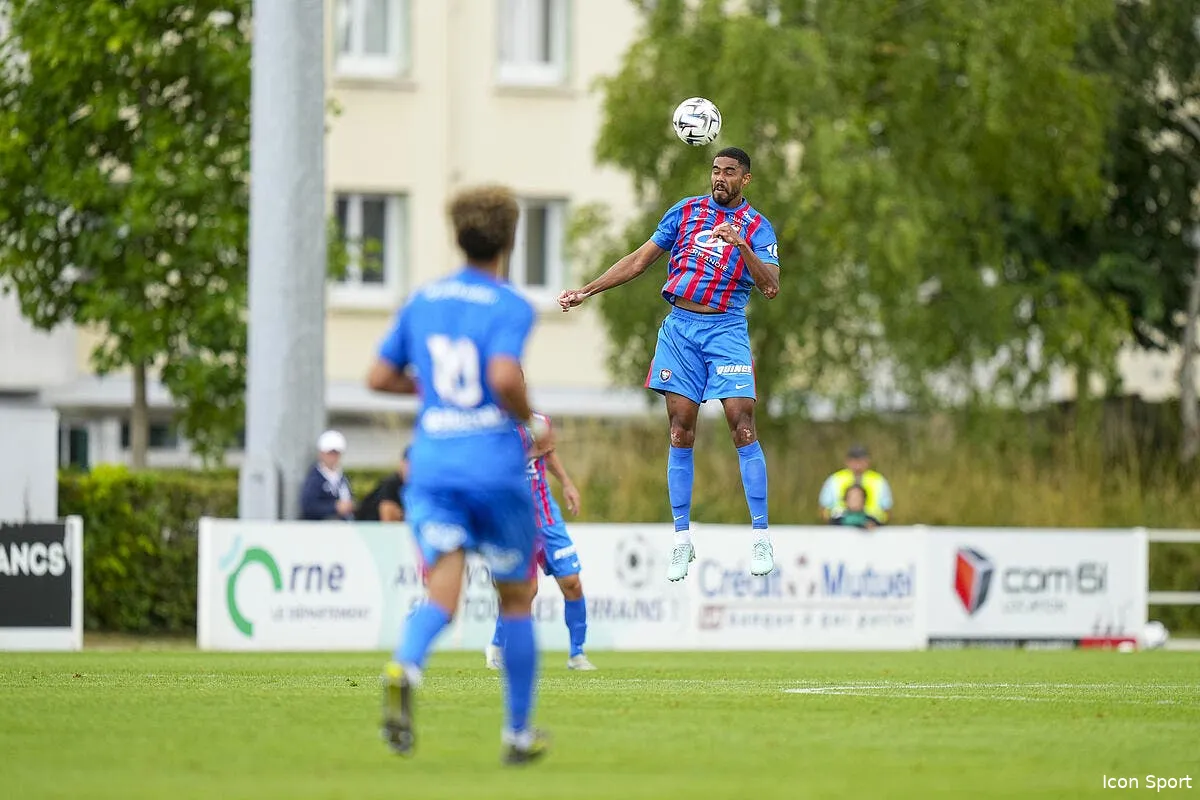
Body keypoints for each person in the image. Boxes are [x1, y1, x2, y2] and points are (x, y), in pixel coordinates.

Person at [365, 185, 551, 765]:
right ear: (511, 240)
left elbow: (376, 375)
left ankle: (406, 665)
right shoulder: (510, 305)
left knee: (441, 594)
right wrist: (531, 421)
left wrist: (432, 390)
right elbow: (501, 376)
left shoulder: (421, 301)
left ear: (457, 236)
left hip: (434, 466)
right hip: (493, 469)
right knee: (516, 597)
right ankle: (517, 735)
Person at [558, 146, 780, 582]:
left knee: (742, 420)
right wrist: (587, 290)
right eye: (715, 170)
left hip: (726, 329)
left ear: (745, 180)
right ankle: (681, 539)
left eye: (729, 172)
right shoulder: (685, 211)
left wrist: (741, 247)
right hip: (679, 328)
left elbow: (771, 287)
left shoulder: (757, 227)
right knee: (680, 427)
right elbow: (639, 261)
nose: (720, 178)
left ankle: (760, 536)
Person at [486, 413, 595, 672]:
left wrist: (567, 483)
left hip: (547, 516)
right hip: (513, 518)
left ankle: (577, 654)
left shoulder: (539, 421)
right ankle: (497, 646)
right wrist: (533, 452)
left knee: (572, 582)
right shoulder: (490, 424)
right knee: (526, 589)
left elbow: (548, 453)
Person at [818, 444, 892, 524]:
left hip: (871, 529)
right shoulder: (835, 480)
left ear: (868, 461)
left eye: (861, 460)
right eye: (854, 460)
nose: (857, 464)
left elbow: (887, 511)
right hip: (840, 527)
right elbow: (823, 509)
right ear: (847, 461)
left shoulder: (878, 481)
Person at [300, 430, 354, 521]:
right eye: (330, 453)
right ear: (321, 454)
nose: (333, 457)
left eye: (336, 453)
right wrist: (335, 507)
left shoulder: (342, 477)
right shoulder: (315, 479)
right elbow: (308, 506)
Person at [355, 446, 411, 522]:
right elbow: (386, 513)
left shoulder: (415, 486)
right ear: (401, 463)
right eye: (408, 464)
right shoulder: (391, 483)